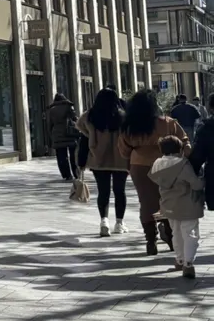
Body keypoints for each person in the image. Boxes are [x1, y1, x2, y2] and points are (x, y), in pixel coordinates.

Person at [118, 89, 190, 255]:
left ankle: (151, 240)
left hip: (139, 164)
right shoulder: (168, 122)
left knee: (147, 202)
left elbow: (123, 150)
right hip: (167, 163)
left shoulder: (129, 127)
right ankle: (171, 235)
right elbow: (184, 140)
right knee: (169, 199)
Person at [77, 87, 129, 237]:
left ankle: (104, 221)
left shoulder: (90, 117)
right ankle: (119, 223)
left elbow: (84, 140)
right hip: (121, 159)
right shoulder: (123, 117)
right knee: (120, 191)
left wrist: (81, 162)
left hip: (98, 159)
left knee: (103, 191)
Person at [148, 135, 202, 280]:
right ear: (179, 149)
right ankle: (188, 264)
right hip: (188, 206)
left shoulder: (157, 164)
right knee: (190, 234)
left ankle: (179, 261)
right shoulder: (182, 164)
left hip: (168, 205)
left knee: (176, 233)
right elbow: (195, 184)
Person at [45, 92, 80, 180]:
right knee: (73, 156)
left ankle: (66, 175)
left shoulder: (51, 110)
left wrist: (51, 136)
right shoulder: (69, 106)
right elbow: (75, 118)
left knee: (61, 156)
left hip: (57, 134)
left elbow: (49, 125)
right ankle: (76, 173)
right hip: (70, 133)